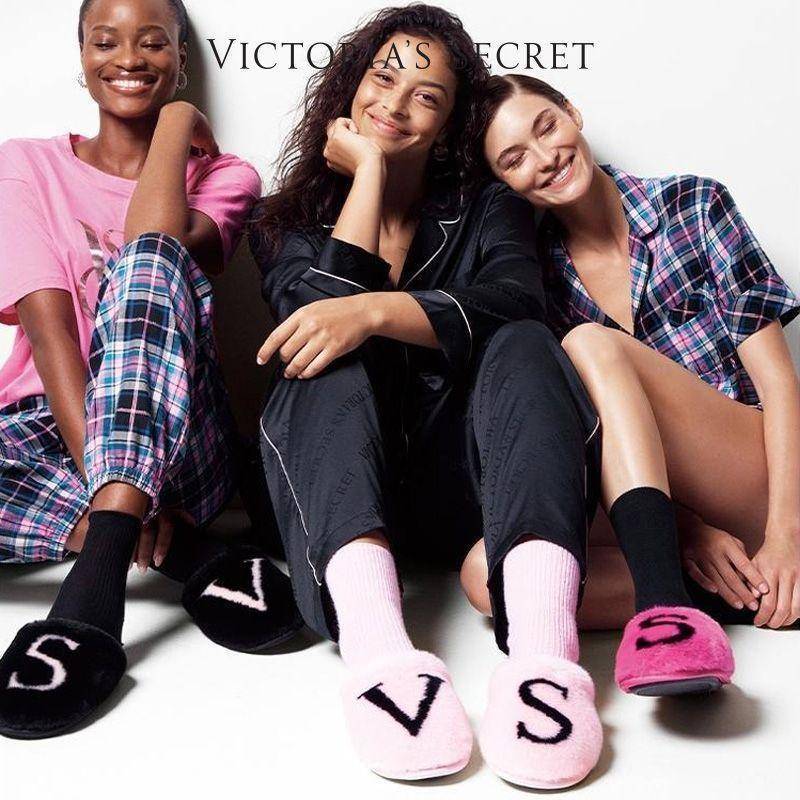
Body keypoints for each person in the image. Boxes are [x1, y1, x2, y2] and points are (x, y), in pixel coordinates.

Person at [251, 4, 607, 789]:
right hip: (337, 496)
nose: (396, 104)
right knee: (324, 351)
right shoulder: (283, 221)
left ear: (448, 126)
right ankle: (382, 658)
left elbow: (516, 299)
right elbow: (317, 315)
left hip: (471, 496)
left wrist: (378, 312)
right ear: (351, 85)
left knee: (525, 340)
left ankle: (544, 662)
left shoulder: (488, 205)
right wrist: (370, 176)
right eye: (384, 79)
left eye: (427, 97)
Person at [0, 0, 301, 741]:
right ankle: (182, 551)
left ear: (180, 60)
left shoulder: (227, 176)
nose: (128, 59)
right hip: (45, 432)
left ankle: (89, 604)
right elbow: (49, 333)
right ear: (82, 56)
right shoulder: (24, 164)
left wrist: (177, 120)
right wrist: (111, 489)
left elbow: (154, 237)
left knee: (147, 263)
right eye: (105, 42)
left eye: (153, 43)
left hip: (178, 437)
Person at [464, 74, 800, 665]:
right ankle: (733, 595)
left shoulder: (694, 205)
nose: (545, 158)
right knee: (485, 573)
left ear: (572, 113)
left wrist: (786, 537)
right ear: (504, 184)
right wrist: (686, 528)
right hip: (662, 507)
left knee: (593, 343)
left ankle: (667, 608)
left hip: (758, 475)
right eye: (515, 159)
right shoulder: (539, 278)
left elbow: (779, 385)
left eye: (547, 127)